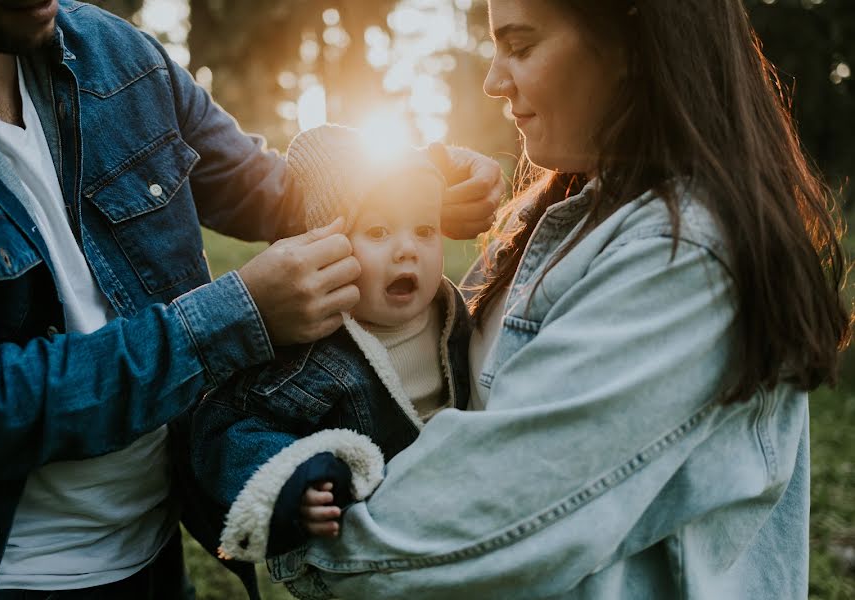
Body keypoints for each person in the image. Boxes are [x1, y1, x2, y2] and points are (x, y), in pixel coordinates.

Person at [251, 1, 852, 599]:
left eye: (521, 45)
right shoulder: (569, 211)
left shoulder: (684, 256)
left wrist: (287, 522)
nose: (492, 79)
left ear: (629, 46)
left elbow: (486, 518)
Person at [0, 1, 502, 597]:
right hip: (7, 574)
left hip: (155, 547)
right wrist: (240, 317)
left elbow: (278, 193)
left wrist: (425, 179)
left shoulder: (118, 57)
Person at [187, 124, 472, 565]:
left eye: (425, 229)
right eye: (378, 232)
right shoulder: (316, 351)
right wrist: (296, 478)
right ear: (329, 247)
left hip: (450, 516)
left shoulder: (455, 314)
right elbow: (227, 426)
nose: (407, 250)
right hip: (367, 548)